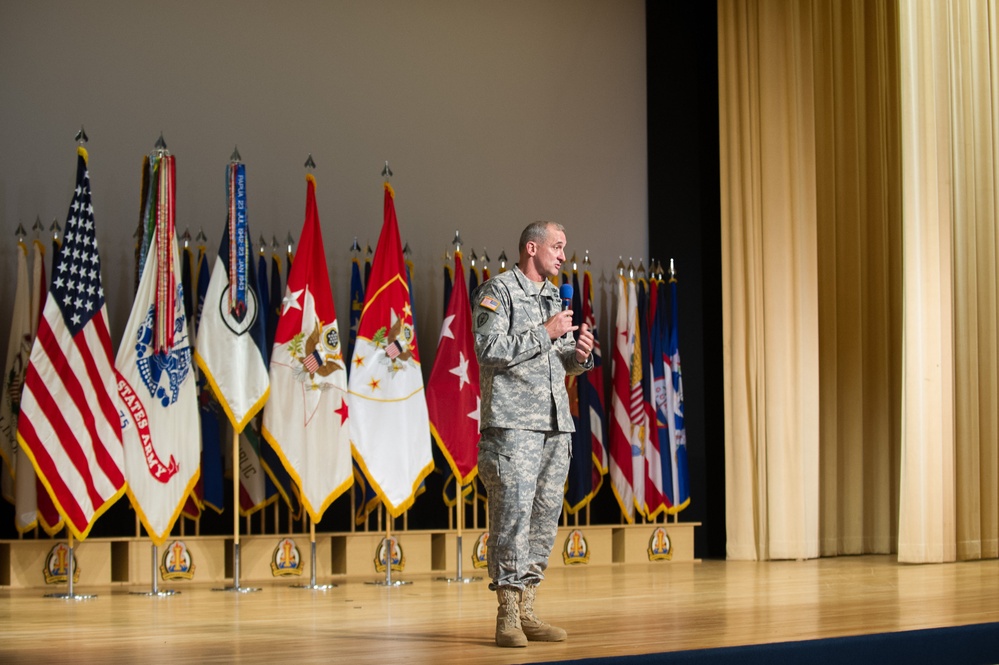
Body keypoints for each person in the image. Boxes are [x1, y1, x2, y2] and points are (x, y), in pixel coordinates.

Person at [472, 220, 594, 648]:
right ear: (531, 247)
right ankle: (506, 614)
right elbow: (488, 350)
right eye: (557, 247)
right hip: (512, 426)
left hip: (554, 426)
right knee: (512, 517)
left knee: (543, 518)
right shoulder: (497, 291)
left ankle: (527, 608)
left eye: (564, 248)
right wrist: (547, 333)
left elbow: (558, 360)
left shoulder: (551, 298)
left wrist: (578, 355)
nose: (563, 256)